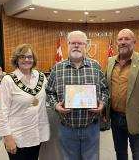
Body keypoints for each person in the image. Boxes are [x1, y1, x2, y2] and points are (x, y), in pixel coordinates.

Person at [46, 30, 109, 160]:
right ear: (68, 45)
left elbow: (105, 90)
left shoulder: (95, 66)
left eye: (80, 43)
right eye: (73, 43)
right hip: (66, 128)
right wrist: (55, 106)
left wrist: (102, 104)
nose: (76, 46)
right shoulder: (57, 68)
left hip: (91, 127)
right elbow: (49, 92)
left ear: (86, 46)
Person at [106, 29, 139, 160]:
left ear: (134, 42)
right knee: (120, 153)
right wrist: (105, 112)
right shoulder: (110, 61)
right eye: (120, 39)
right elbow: (106, 88)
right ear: (116, 43)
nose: (123, 42)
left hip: (137, 120)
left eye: (127, 39)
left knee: (138, 154)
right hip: (115, 117)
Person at [0, 44, 50, 160]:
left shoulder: (41, 77)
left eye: (29, 57)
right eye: (22, 57)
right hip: (17, 137)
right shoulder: (8, 80)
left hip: (37, 134)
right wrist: (7, 138)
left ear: (34, 59)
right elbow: (1, 112)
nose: (26, 60)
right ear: (16, 59)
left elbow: (49, 98)